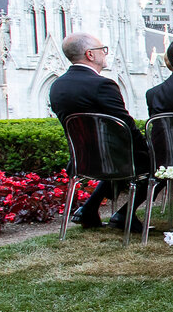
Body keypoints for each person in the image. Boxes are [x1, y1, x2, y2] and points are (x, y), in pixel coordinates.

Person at [49, 33, 150, 233]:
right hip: (114, 160)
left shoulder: (57, 86)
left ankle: (88, 209)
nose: (105, 54)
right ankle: (125, 213)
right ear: (90, 55)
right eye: (102, 50)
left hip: (81, 159)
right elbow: (125, 124)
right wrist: (146, 148)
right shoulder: (103, 84)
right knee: (162, 164)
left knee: (116, 157)